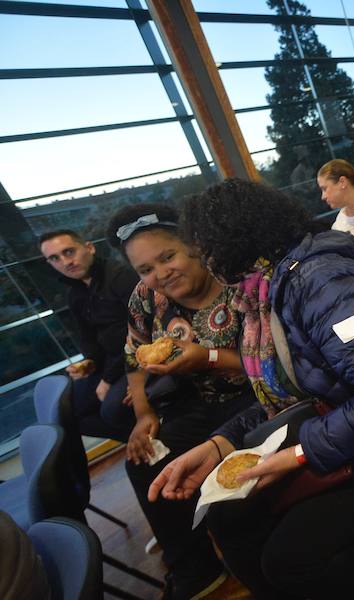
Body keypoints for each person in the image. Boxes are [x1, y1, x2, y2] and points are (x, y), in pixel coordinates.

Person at [149, 178, 354, 600]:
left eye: (203, 251)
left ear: (233, 238)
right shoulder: (265, 290)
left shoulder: (318, 279)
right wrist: (221, 444)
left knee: (288, 560)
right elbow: (294, 394)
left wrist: (302, 452)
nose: (206, 264)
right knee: (229, 518)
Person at [107, 204, 255, 600]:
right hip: (192, 400)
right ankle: (195, 567)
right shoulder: (146, 297)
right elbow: (134, 355)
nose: (160, 274)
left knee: (225, 492)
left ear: (193, 245)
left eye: (167, 256)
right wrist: (142, 412)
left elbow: (271, 365)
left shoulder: (238, 283)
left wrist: (204, 358)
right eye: (146, 269)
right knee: (145, 458)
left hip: (254, 398)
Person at [39, 229, 138, 441]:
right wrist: (89, 361)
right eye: (55, 258)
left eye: (69, 252)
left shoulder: (119, 276)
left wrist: (108, 380)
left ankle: (152, 439)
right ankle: (143, 442)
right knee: (68, 413)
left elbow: (139, 333)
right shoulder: (75, 293)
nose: (66, 262)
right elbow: (87, 337)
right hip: (109, 362)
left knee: (111, 409)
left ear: (89, 247)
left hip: (135, 356)